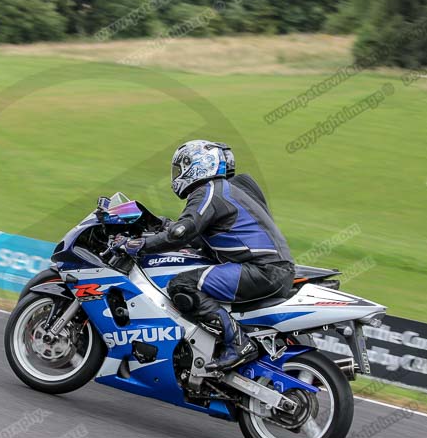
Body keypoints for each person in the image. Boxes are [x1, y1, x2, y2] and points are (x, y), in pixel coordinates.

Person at [116, 140, 295, 370]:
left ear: (197, 165)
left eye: (181, 168)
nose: (177, 175)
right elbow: (195, 234)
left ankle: (238, 343)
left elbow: (181, 233)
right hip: (270, 269)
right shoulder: (227, 190)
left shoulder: (209, 191)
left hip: (261, 270)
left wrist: (139, 244)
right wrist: (160, 226)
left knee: (181, 284)